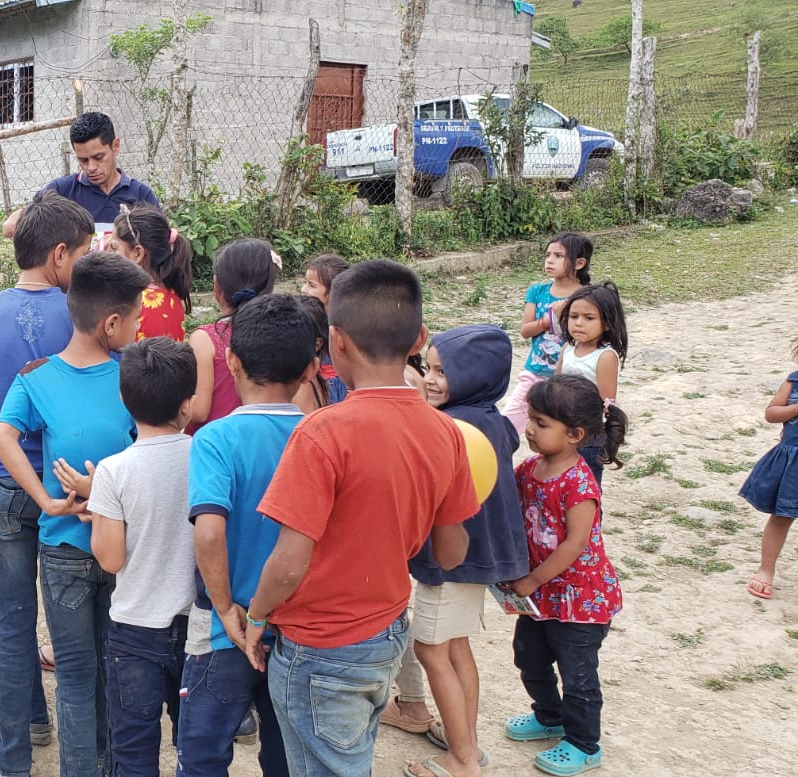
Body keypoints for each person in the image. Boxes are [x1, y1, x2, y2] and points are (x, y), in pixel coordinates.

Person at [242, 259, 477, 777]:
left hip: (319, 647)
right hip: (386, 633)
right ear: (420, 339)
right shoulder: (445, 432)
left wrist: (257, 616)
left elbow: (289, 562)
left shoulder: (321, 433)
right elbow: (452, 552)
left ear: (337, 341)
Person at [0, 192, 92, 777]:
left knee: (12, 622)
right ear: (59, 254)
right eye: (82, 254)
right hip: (69, 488)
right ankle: (81, 752)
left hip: (5, 485)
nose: (83, 264)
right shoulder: (80, 310)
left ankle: (15, 752)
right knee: (72, 630)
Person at [0, 251, 146, 777]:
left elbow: (3, 437)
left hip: (61, 548)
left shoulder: (36, 378)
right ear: (111, 324)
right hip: (120, 549)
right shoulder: (132, 379)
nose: (139, 327)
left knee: (76, 677)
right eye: (135, 318)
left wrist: (45, 501)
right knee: (110, 672)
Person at [178, 294, 318, 777]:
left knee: (202, 753)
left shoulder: (215, 439)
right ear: (310, 370)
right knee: (285, 754)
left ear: (231, 360)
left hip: (225, 627)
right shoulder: (318, 436)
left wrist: (223, 608)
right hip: (297, 628)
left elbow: (209, 533)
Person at [400, 325, 531, 777]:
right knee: (456, 647)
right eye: (429, 368)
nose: (430, 380)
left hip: (451, 561)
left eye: (442, 372)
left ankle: (461, 759)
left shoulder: (452, 427)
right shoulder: (490, 419)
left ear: (475, 376)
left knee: (431, 649)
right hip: (479, 559)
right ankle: (467, 745)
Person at [71, 337, 196, 777]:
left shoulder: (114, 470)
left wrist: (101, 515)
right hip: (196, 630)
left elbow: (110, 559)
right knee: (195, 748)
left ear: (124, 399)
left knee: (134, 753)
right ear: (188, 404)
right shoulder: (206, 455)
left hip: (135, 632)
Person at [507, 375, 628, 777]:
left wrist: (531, 580)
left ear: (575, 434)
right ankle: (549, 716)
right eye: (531, 418)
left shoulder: (578, 483)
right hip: (541, 596)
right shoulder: (530, 469)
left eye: (541, 423)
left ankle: (583, 744)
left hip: (579, 600)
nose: (529, 429)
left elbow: (574, 545)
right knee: (529, 657)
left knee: (577, 675)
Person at [1, 112, 160, 238]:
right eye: (83, 160)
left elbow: (160, 244)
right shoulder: (63, 191)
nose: (91, 168)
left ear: (116, 146)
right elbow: (9, 228)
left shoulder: (141, 195)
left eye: (99, 157)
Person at [186, 238, 279, 433]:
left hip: (214, 443)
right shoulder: (280, 333)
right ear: (270, 286)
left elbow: (199, 411)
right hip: (263, 437)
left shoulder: (205, 340)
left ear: (217, 287)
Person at [506, 233, 593, 435]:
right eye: (547, 255)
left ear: (579, 263)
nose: (550, 260)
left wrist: (564, 318)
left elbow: (588, 337)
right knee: (506, 426)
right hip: (534, 373)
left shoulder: (586, 296)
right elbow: (525, 330)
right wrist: (547, 321)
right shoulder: (537, 292)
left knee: (563, 433)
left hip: (572, 379)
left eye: (558, 256)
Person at [739, 339, 798, 600]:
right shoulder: (794, 382)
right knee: (781, 517)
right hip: (793, 465)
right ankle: (766, 569)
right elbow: (772, 413)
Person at [554, 281, 628, 485]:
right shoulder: (568, 348)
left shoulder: (605, 356)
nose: (579, 323)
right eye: (573, 316)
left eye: (589, 318)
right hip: (561, 427)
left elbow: (606, 402)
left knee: (586, 483)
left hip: (588, 434)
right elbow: (555, 385)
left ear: (607, 324)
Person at [106, 203, 193, 341]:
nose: (108, 254)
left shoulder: (132, 303)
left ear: (137, 253)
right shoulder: (173, 297)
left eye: (114, 248)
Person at [299, 254, 350, 401]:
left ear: (333, 293)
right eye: (305, 282)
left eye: (311, 285)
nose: (303, 289)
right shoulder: (303, 323)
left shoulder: (346, 332)